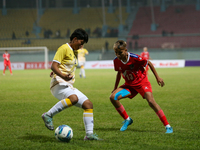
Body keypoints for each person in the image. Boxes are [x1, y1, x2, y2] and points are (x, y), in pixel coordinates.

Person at [41, 28, 102, 140]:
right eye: (81, 43)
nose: (81, 46)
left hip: (67, 84)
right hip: (58, 83)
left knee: (88, 105)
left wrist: (59, 70)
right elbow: (53, 65)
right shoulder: (64, 48)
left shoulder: (74, 51)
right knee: (73, 98)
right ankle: (48, 115)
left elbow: (62, 65)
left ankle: (89, 135)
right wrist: (60, 74)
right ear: (75, 39)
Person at [110, 40, 173, 133]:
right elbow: (119, 73)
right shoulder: (116, 60)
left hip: (142, 82)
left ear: (126, 50)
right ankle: (127, 119)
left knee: (151, 102)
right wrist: (115, 87)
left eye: (120, 52)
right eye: (116, 52)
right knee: (113, 97)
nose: (118, 55)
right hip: (129, 85)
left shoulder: (135, 58)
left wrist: (157, 77)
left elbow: (149, 63)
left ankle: (168, 126)